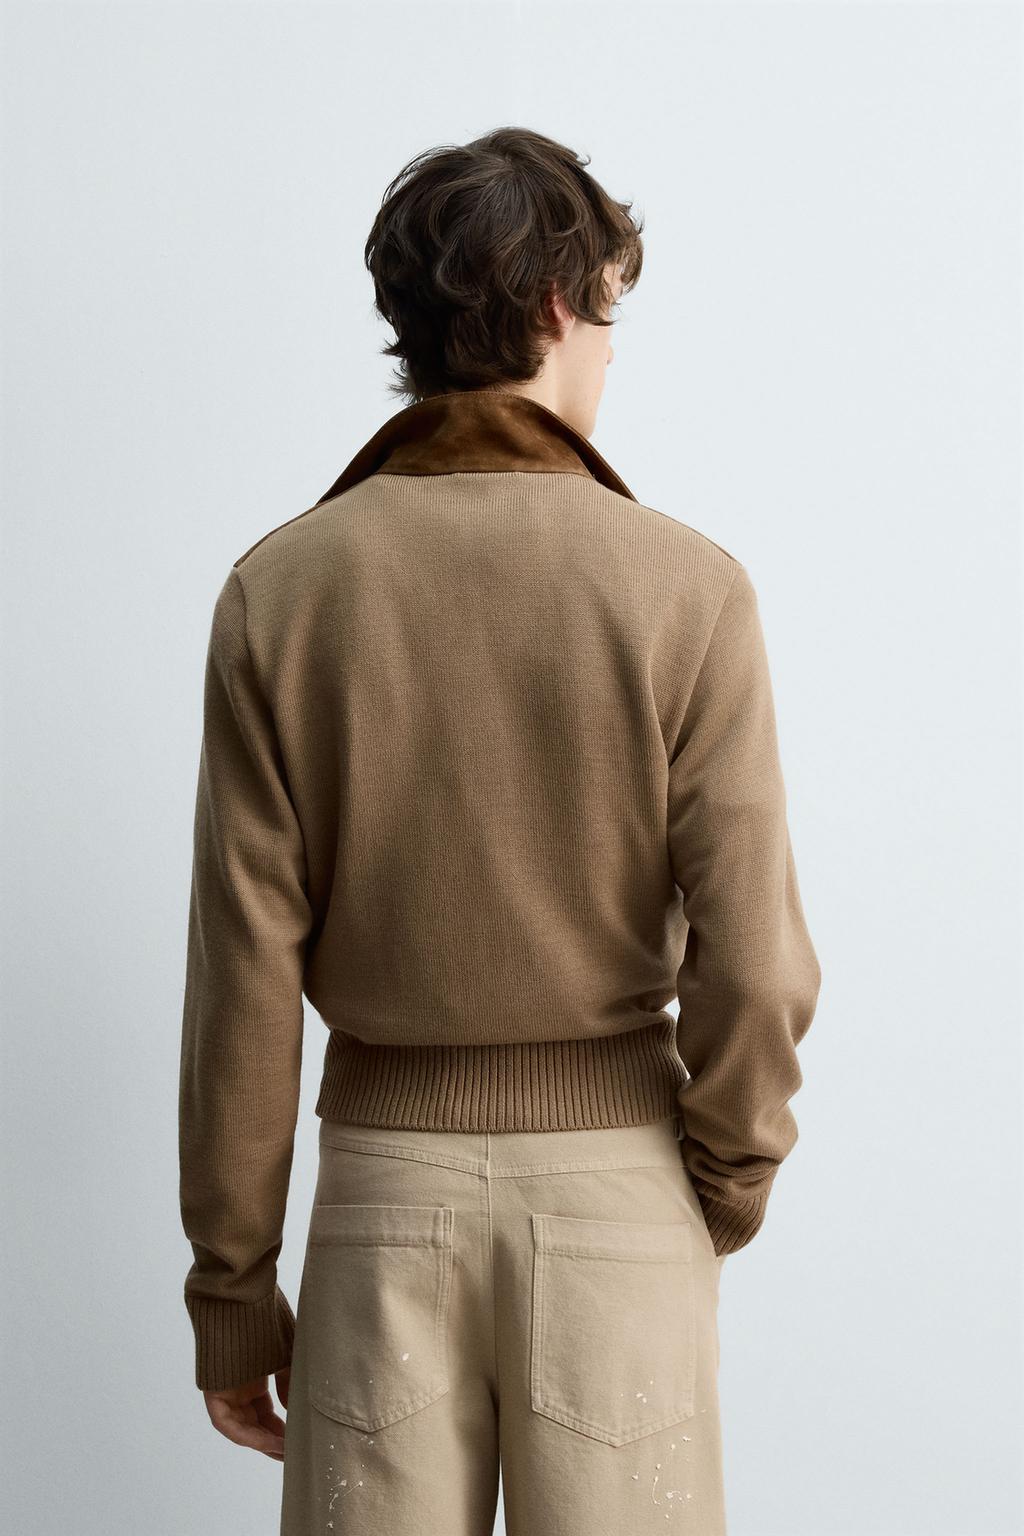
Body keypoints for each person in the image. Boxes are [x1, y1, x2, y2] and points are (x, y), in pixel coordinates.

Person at [177, 125, 822, 1536]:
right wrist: (720, 1182)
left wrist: (233, 1292)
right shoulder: (688, 589)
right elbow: (759, 960)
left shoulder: (278, 594)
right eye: (611, 315)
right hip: (620, 1199)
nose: (612, 354)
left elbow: (242, 987)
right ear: (555, 304)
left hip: (380, 1208)